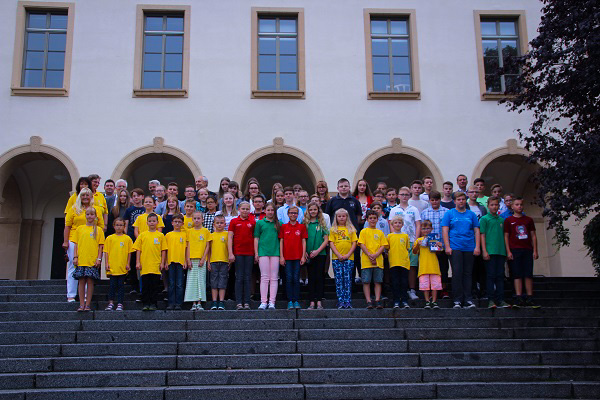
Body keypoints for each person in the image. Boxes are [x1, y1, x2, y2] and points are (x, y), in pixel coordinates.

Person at [63, 188, 105, 302]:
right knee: (73, 266)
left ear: (91, 196)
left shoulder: (95, 209)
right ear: (79, 197)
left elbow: (101, 225)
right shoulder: (74, 209)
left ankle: (85, 296)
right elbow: (67, 226)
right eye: (83, 195)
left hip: (91, 240)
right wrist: (66, 241)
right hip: (74, 240)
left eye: (87, 195)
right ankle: (71, 295)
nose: (85, 197)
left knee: (88, 268)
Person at [441, 192, 481, 309]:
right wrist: (447, 247)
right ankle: (457, 300)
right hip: (455, 247)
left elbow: (476, 231)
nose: (461, 201)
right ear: (455, 201)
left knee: (468, 274)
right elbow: (445, 231)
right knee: (457, 273)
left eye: (463, 199)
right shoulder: (449, 214)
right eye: (459, 199)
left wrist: (477, 246)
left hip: (469, 247)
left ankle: (468, 299)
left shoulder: (471, 214)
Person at [504, 197, 539, 308]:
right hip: (515, 250)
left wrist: (535, 250)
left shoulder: (528, 220)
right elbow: (506, 236)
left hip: (527, 249)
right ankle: (518, 296)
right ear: (512, 206)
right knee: (516, 274)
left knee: (528, 273)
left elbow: (533, 235)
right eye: (517, 204)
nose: (519, 206)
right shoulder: (508, 220)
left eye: (521, 204)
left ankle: (529, 297)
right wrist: (508, 251)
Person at [387, 186, 421, 301]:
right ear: (398, 196)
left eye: (406, 194)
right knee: (398, 267)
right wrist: (393, 239)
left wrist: (416, 239)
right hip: (398, 242)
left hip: (410, 241)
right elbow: (390, 224)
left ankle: (411, 290)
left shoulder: (414, 209)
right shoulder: (394, 209)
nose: (404, 197)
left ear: (409, 195)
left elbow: (418, 224)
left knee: (412, 266)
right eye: (402, 194)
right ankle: (399, 292)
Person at [326, 178, 362, 283]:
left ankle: (352, 283)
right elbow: (328, 216)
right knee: (338, 261)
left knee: (353, 259)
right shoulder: (332, 201)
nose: (343, 188)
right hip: (337, 237)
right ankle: (340, 285)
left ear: (349, 187)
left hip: (351, 235)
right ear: (337, 188)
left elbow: (358, 217)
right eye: (341, 186)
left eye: (346, 186)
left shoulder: (355, 201)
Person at [72, 207, 105, 312]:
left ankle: (88, 304)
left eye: (92, 214)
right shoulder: (80, 229)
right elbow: (76, 244)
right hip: (82, 258)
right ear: (85, 215)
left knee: (90, 281)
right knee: (81, 281)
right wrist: (75, 257)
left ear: (95, 216)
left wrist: (99, 258)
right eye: (88, 214)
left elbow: (100, 246)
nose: (90, 216)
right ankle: (81, 304)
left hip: (92, 259)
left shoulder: (98, 230)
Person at [480, 196, 510, 309]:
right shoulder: (484, 219)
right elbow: (482, 235)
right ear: (488, 206)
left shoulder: (502, 220)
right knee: (490, 276)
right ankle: (491, 299)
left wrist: (507, 251)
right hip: (490, 252)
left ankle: (501, 299)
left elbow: (505, 236)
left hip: (500, 251)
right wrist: (484, 251)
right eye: (492, 205)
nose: (494, 207)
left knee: (500, 276)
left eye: (496, 205)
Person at [133, 213, 167, 311]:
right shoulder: (142, 235)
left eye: (154, 221)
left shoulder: (160, 235)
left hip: (155, 264)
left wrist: (162, 262)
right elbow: (138, 249)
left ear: (157, 222)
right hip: (145, 265)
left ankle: (153, 303)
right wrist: (137, 262)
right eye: (150, 221)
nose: (152, 223)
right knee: (145, 285)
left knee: (154, 285)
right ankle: (146, 303)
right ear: (147, 222)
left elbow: (163, 250)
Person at [421, 190, 450, 299]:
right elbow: (423, 229)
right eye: (432, 200)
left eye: (436, 200)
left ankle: (444, 289)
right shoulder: (425, 212)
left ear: (440, 200)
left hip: (442, 243)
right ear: (429, 200)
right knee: (432, 268)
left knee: (443, 267)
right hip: (429, 246)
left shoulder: (447, 212)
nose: (434, 202)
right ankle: (430, 291)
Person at [228, 201, 256, 310]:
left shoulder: (253, 222)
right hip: (238, 253)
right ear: (239, 209)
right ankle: (239, 302)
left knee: (248, 277)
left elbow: (255, 238)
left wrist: (255, 253)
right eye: (243, 209)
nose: (245, 211)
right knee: (239, 277)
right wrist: (231, 253)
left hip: (249, 253)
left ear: (250, 210)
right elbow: (230, 237)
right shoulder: (234, 221)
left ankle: (247, 302)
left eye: (247, 209)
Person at [358, 210, 388, 309]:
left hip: (378, 260)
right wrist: (370, 255)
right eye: (370, 218)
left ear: (377, 219)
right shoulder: (364, 231)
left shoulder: (380, 232)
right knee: (366, 281)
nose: (372, 220)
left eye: (374, 218)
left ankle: (378, 300)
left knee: (378, 281)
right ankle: (368, 301)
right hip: (366, 261)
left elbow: (383, 245)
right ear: (367, 219)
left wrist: (375, 255)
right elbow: (362, 244)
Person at [279, 206, 307, 310]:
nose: (293, 215)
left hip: (297, 257)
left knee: (296, 279)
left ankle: (296, 300)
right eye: (291, 213)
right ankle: (290, 300)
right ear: (288, 214)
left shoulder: (302, 227)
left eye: (295, 213)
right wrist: (281, 256)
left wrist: (303, 256)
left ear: (298, 214)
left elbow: (304, 241)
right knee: (289, 278)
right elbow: (281, 241)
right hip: (287, 257)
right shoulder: (284, 227)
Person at [329, 208, 358, 309]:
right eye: (339, 216)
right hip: (336, 258)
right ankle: (340, 301)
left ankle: (348, 301)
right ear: (336, 218)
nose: (341, 218)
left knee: (347, 279)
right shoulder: (333, 230)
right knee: (339, 280)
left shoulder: (351, 229)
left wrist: (348, 254)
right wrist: (338, 255)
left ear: (347, 217)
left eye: (343, 216)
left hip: (349, 258)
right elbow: (331, 243)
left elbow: (354, 242)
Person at [254, 203, 280, 310]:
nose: (270, 212)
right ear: (265, 211)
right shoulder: (260, 223)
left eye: (272, 210)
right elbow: (256, 238)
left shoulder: (279, 224)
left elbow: (281, 240)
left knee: (274, 278)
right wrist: (256, 253)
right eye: (268, 210)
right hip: (263, 252)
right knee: (264, 277)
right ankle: (263, 302)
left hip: (275, 253)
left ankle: (272, 302)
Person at [103, 218, 133, 311]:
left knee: (121, 286)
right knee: (112, 285)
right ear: (114, 226)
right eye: (117, 225)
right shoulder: (109, 238)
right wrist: (106, 263)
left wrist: (128, 263)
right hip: (112, 266)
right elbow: (106, 252)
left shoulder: (127, 238)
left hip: (122, 266)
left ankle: (120, 303)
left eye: (121, 225)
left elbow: (129, 252)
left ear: (124, 226)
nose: (119, 227)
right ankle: (111, 303)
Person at [304, 202, 329, 310]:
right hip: (309, 255)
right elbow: (303, 239)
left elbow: (326, 239)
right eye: (311, 210)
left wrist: (318, 251)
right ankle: (311, 302)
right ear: (308, 211)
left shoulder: (321, 223)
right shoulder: (305, 224)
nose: (313, 212)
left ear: (318, 211)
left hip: (320, 254)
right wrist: (304, 251)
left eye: (315, 209)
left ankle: (319, 301)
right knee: (311, 278)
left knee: (319, 277)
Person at [413, 220, 442, 309]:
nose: (426, 230)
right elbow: (414, 252)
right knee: (424, 285)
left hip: (434, 266)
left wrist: (439, 246)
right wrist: (418, 245)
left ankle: (434, 301)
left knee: (435, 285)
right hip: (423, 266)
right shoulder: (419, 240)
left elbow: (439, 253)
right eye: (424, 229)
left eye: (428, 228)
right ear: (421, 230)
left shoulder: (434, 239)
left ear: (431, 229)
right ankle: (427, 301)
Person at [185, 211, 211, 311]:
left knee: (200, 281)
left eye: (198, 218)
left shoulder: (206, 231)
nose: (196, 220)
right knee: (192, 282)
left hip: (201, 260)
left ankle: (199, 302)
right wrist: (188, 260)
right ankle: (193, 303)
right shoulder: (189, 231)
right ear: (192, 220)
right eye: (195, 218)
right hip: (192, 259)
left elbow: (207, 246)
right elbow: (187, 246)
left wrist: (203, 259)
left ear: (202, 220)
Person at [467, 185, 487, 299]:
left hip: (481, 238)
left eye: (476, 192)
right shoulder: (465, 207)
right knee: (471, 267)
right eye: (471, 192)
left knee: (481, 266)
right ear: (468, 194)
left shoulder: (482, 208)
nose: (474, 194)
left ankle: (483, 289)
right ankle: (473, 289)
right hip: (469, 239)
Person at [123, 188, 145, 293]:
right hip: (132, 237)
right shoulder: (129, 210)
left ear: (142, 197)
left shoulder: (145, 209)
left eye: (138, 195)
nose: (136, 198)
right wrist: (126, 236)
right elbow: (126, 224)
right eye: (134, 196)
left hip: (144, 239)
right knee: (132, 262)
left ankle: (143, 285)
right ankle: (134, 286)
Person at [387, 216, 411, 308]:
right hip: (393, 262)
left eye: (399, 223)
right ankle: (396, 300)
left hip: (404, 263)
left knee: (404, 282)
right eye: (395, 223)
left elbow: (407, 248)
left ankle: (404, 300)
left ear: (402, 224)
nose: (397, 224)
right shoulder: (389, 236)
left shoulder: (405, 236)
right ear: (392, 225)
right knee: (395, 282)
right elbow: (387, 248)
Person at [208, 215, 229, 310]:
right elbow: (208, 250)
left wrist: (230, 261)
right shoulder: (211, 235)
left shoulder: (227, 234)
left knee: (222, 282)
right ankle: (214, 301)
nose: (219, 225)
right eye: (217, 223)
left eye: (221, 223)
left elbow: (229, 249)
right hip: (213, 261)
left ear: (225, 224)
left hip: (224, 261)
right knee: (214, 282)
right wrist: (208, 262)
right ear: (213, 224)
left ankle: (221, 301)